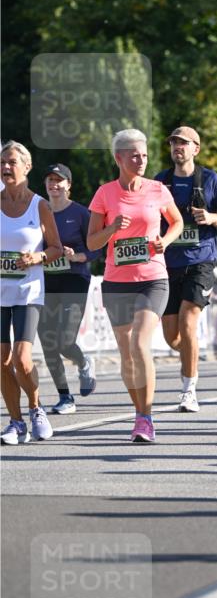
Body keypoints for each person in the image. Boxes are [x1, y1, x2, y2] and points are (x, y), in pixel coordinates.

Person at [87, 129, 183, 442]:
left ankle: (146, 417)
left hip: (153, 278)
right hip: (116, 281)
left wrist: (164, 241)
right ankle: (139, 412)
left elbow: (177, 222)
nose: (141, 160)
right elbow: (91, 242)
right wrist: (112, 228)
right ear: (119, 158)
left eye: (143, 155)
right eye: (134, 155)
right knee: (126, 354)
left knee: (140, 343)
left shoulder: (157, 190)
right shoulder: (104, 194)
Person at [154, 126, 217, 412]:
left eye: (183, 143)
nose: (177, 147)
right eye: (173, 143)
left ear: (195, 149)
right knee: (172, 337)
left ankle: (188, 391)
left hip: (200, 261)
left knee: (189, 322)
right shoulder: (160, 182)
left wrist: (211, 217)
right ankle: (191, 351)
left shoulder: (210, 180)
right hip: (167, 264)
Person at [1, 141, 62, 444]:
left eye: (12, 162)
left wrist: (36, 257)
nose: (5, 168)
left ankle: (36, 408)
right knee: (0, 360)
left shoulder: (40, 205)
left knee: (22, 360)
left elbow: (56, 249)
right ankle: (15, 423)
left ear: (27, 167)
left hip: (27, 291)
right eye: (2, 162)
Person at [37, 163, 99, 414]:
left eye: (59, 180)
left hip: (74, 280)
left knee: (64, 340)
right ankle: (65, 397)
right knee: (48, 341)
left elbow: (96, 247)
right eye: (50, 180)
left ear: (68, 185)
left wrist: (77, 256)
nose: (54, 185)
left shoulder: (82, 213)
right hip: (45, 281)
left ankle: (84, 363)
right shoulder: (38, 211)